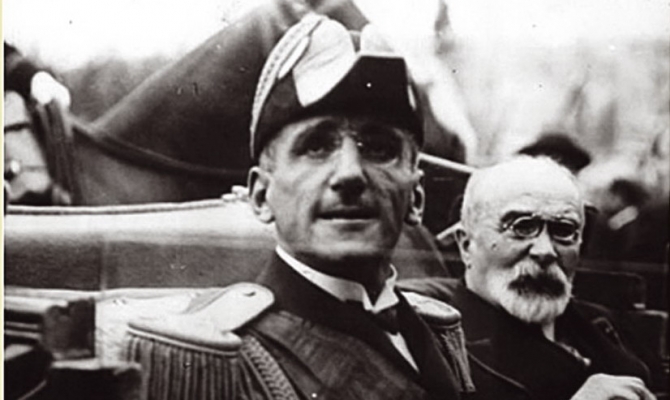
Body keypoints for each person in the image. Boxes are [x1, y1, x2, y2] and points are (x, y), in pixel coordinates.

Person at [125, 11, 471, 400]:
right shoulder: (213, 358)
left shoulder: (438, 334)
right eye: (316, 146)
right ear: (261, 196)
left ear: (416, 198)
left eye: (379, 149)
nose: (350, 173)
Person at [449, 156, 654, 400]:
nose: (545, 251)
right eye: (522, 227)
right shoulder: (440, 351)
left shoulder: (604, 325)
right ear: (466, 245)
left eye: (563, 230)